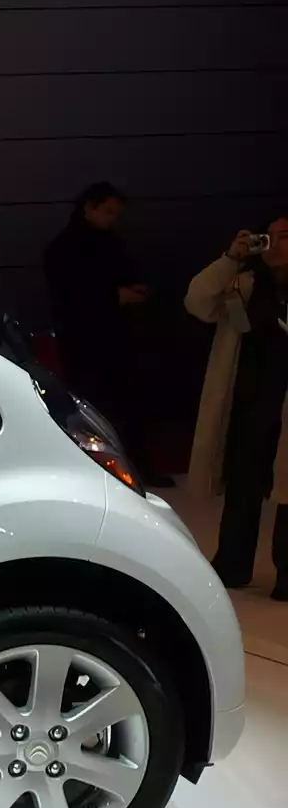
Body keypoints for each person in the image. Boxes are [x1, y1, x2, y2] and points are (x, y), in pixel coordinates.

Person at [43, 182, 174, 487]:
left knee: (126, 407)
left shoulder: (108, 242)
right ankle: (107, 472)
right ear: (89, 208)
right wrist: (115, 296)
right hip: (85, 343)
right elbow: (70, 295)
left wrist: (131, 290)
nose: (112, 219)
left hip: (115, 339)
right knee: (96, 408)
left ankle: (134, 469)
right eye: (108, 212)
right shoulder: (66, 248)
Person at [184, 211, 288, 594]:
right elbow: (196, 301)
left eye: (285, 236)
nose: (274, 244)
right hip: (251, 401)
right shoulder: (242, 283)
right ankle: (232, 564)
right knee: (243, 486)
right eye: (268, 236)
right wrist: (231, 258)